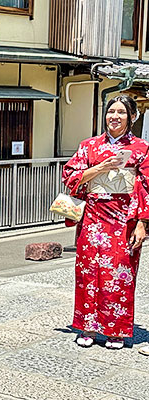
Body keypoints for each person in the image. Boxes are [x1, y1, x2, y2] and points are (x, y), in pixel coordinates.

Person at [62, 94, 149, 350]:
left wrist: (143, 223)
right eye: (111, 111)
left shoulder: (141, 148)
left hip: (124, 219)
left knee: (120, 274)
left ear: (132, 117)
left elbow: (147, 186)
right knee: (88, 272)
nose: (115, 117)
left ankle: (116, 330)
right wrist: (100, 168)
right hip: (92, 217)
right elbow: (71, 176)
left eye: (122, 112)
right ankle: (87, 326)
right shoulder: (89, 146)